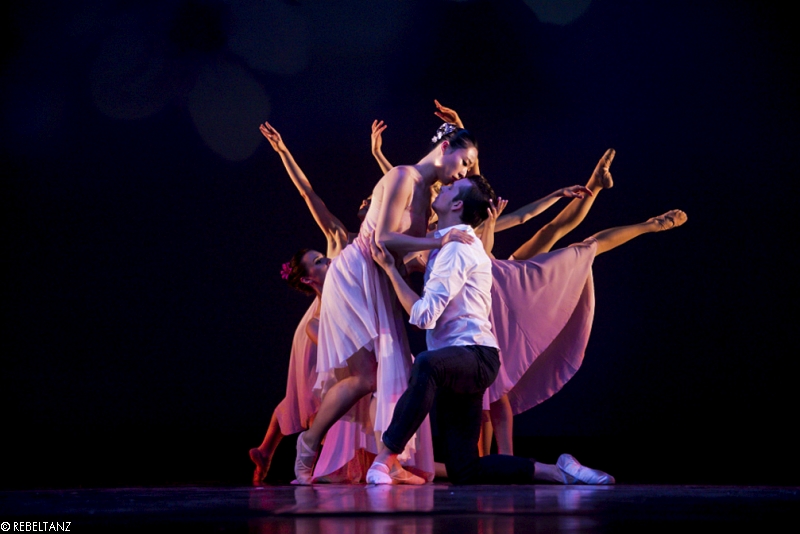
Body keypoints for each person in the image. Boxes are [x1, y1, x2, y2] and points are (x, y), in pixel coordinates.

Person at [366, 175, 616, 485]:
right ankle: (557, 470)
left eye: (450, 188)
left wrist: (391, 270)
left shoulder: (457, 249)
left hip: (474, 357)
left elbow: (424, 316)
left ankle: (385, 458)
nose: (442, 186)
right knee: (463, 470)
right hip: (459, 362)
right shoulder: (445, 243)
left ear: (457, 205)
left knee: (426, 364)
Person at [292, 123, 480, 484]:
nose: (464, 172)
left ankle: (388, 460)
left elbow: (404, 249)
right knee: (367, 377)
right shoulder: (403, 176)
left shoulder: (428, 193)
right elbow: (384, 237)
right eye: (465, 162)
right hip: (356, 275)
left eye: (469, 167)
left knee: (390, 374)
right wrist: (438, 242)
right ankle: (310, 443)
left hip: (380, 279)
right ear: (445, 147)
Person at [248, 121, 359, 483]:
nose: (367, 203)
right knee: (312, 392)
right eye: (319, 260)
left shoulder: (372, 242)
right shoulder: (339, 239)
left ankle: (268, 450)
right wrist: (284, 152)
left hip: (330, 320)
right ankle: (315, 457)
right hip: (318, 323)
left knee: (310, 392)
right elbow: (309, 194)